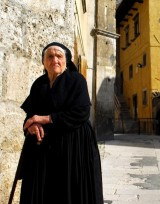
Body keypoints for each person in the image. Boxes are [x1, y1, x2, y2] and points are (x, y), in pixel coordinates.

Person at [19, 42, 103, 204]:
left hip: (73, 145)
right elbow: (30, 115)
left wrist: (44, 119)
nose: (54, 60)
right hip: (43, 147)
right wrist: (33, 125)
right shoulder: (38, 84)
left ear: (66, 60)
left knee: (69, 191)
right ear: (44, 61)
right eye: (49, 56)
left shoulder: (76, 80)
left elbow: (81, 113)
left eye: (59, 56)